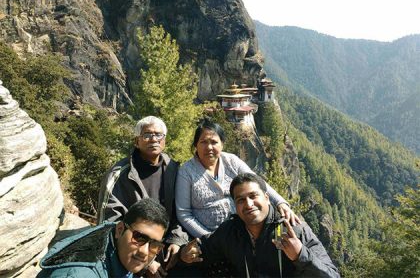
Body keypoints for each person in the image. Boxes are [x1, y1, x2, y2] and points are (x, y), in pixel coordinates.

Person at [180, 173, 340, 277]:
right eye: (241, 200)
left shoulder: (292, 229)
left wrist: (300, 255)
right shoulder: (231, 231)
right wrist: (185, 252)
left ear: (267, 197)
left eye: (253, 196)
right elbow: (205, 247)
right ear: (235, 205)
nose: (248, 204)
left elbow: (332, 275)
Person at [175, 119, 300, 238]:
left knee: (283, 224)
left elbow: (257, 182)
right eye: (203, 142)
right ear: (196, 145)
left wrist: (280, 202)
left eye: (214, 142)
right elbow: (184, 214)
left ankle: (287, 250)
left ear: (222, 144)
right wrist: (209, 238)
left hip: (244, 228)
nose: (209, 147)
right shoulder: (186, 172)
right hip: (209, 236)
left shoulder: (231, 161)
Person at [97, 116, 188, 276]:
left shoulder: (173, 170)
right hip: (132, 256)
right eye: (147, 135)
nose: (154, 139)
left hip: (166, 252)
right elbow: (107, 226)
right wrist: (146, 263)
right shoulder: (119, 175)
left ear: (164, 140)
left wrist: (177, 240)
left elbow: (181, 212)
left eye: (158, 135)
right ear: (136, 141)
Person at [38, 198, 169, 278]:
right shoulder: (79, 274)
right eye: (139, 237)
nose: (144, 252)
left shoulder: (112, 241)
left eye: (154, 245)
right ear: (120, 230)